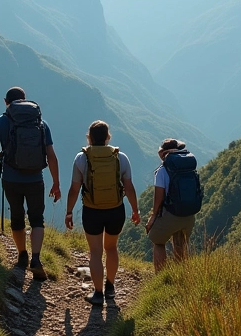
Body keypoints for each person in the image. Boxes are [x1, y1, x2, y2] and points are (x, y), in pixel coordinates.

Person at [0, 86, 61, 280]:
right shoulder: (41, 123)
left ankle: (22, 255)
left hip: (11, 179)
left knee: (17, 217)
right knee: (37, 219)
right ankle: (36, 258)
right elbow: (51, 156)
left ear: (6, 102)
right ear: (25, 100)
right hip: (36, 179)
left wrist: (4, 154)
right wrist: (56, 183)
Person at [64, 120, 140, 304]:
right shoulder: (120, 158)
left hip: (92, 211)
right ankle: (111, 287)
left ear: (89, 138)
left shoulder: (81, 159)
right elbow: (129, 187)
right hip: (116, 210)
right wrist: (135, 210)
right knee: (111, 248)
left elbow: (74, 189)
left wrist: (69, 212)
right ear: (108, 137)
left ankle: (98, 294)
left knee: (95, 252)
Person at [145, 138, 197, 273]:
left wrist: (153, 217)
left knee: (158, 242)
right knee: (180, 245)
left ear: (163, 152)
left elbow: (159, 197)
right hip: (189, 214)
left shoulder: (162, 170)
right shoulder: (188, 168)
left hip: (170, 214)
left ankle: (162, 278)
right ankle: (181, 278)